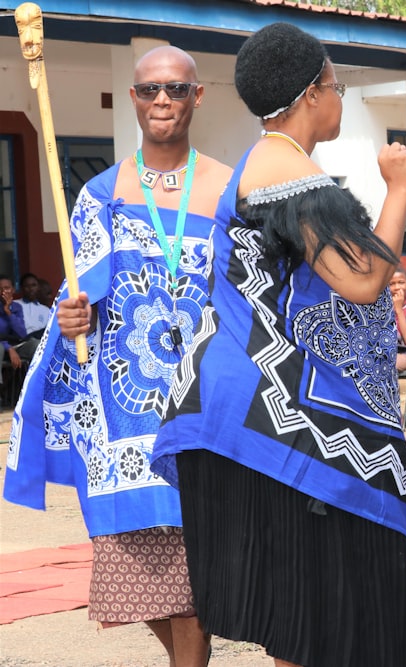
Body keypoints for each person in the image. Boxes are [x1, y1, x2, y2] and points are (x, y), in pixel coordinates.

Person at [150, 23, 406, 667]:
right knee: (308, 615)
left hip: (277, 410)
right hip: (275, 417)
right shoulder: (281, 165)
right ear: (308, 94)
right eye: (335, 85)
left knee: (312, 613)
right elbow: (361, 279)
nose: (340, 97)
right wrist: (401, 186)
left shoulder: (284, 165)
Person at [3, 46, 230, 666]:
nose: (163, 102)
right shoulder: (101, 194)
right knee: (147, 578)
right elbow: (85, 297)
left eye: (177, 91)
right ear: (132, 97)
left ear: (197, 97)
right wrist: (71, 314)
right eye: (150, 91)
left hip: (207, 403)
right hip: (126, 414)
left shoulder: (226, 187)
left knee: (200, 575)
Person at [0, 274, 30, 369]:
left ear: (13, 290)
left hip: (16, 344)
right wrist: (8, 347)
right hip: (2, 345)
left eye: (7, 288)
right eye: (0, 289)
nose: (3, 292)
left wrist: (8, 312)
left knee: (36, 345)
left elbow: (22, 334)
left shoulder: (17, 307)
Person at [15, 272, 49, 338]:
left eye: (34, 285)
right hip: (22, 340)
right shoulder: (15, 304)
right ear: (21, 288)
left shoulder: (46, 310)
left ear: (38, 287)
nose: (31, 289)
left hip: (40, 340)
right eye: (27, 286)